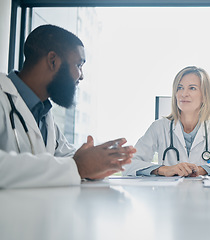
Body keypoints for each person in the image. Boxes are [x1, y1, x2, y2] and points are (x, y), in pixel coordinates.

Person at [0, 25, 136, 188]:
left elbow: (66, 157)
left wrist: (98, 162)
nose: (82, 76)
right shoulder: (3, 97)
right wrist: (79, 167)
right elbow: (72, 166)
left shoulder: (43, 113)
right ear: (53, 61)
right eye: (79, 65)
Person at [123, 66, 210, 177]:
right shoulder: (159, 127)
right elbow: (128, 164)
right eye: (180, 88)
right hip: (169, 198)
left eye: (192, 88)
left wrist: (201, 169)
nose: (183, 94)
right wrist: (164, 170)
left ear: (204, 96)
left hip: (206, 197)